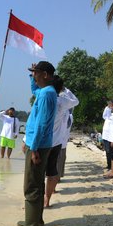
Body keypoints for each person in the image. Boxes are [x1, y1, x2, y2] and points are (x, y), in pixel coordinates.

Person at [10, 61, 57, 226]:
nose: (34, 75)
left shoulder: (47, 94)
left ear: (45, 74)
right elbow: (34, 90)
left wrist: (34, 147)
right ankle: (36, 220)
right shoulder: (45, 92)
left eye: (36, 73)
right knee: (37, 182)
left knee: (31, 185)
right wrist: (30, 77)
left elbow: (42, 124)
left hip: (38, 145)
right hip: (40, 144)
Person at [44, 75, 79, 208]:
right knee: (52, 172)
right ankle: (46, 199)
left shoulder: (48, 99)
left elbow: (37, 121)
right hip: (57, 143)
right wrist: (65, 89)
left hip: (46, 143)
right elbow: (75, 101)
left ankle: (45, 199)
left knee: (47, 173)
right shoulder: (63, 102)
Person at [101, 101, 113, 173]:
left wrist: (110, 109)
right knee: (107, 151)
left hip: (111, 135)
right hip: (106, 135)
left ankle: (111, 166)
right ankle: (108, 165)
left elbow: (109, 115)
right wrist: (108, 108)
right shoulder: (107, 110)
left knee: (110, 151)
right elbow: (104, 116)